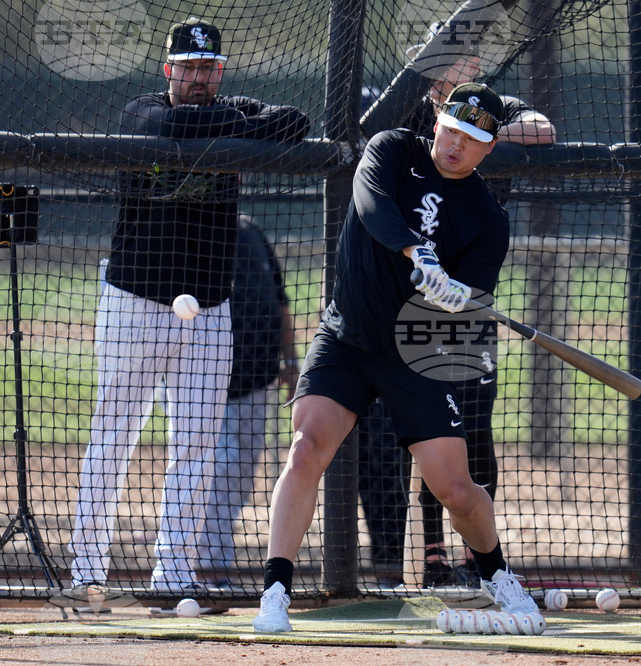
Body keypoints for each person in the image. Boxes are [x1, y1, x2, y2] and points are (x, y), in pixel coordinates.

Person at [252, 82, 541, 633]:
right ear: (437, 123)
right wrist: (417, 249)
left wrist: (455, 296)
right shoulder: (392, 148)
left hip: (417, 350)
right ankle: (275, 592)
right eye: (451, 131)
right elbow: (370, 205)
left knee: (455, 489)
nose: (455, 145)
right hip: (348, 335)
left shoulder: (488, 217)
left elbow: (474, 295)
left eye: (471, 139)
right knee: (307, 445)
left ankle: (498, 576)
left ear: (488, 147)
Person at [67, 17, 309, 603]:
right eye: (189, 67)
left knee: (197, 446)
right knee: (113, 437)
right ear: (168, 69)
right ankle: (87, 573)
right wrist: (240, 128)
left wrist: (233, 123)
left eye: (209, 68)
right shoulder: (142, 112)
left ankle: (174, 573)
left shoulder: (225, 110)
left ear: (219, 71)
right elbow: (173, 125)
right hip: (136, 300)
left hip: (210, 308)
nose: (200, 77)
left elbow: (296, 122)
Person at [357, 29, 557, 589]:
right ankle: (429, 553)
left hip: (466, 289)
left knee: (470, 426)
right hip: (395, 290)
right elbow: (369, 133)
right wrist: (450, 122)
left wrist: (478, 129)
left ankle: (478, 556)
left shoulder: (495, 106)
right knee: (412, 434)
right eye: (440, 57)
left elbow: (543, 130)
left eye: (463, 58)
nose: (453, 66)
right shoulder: (406, 108)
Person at [195, 216, 300, 585]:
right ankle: (208, 566)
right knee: (219, 469)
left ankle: (212, 556)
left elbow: (280, 302)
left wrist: (291, 362)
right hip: (205, 386)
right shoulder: (197, 233)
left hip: (257, 381)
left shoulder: (253, 233)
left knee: (240, 476)